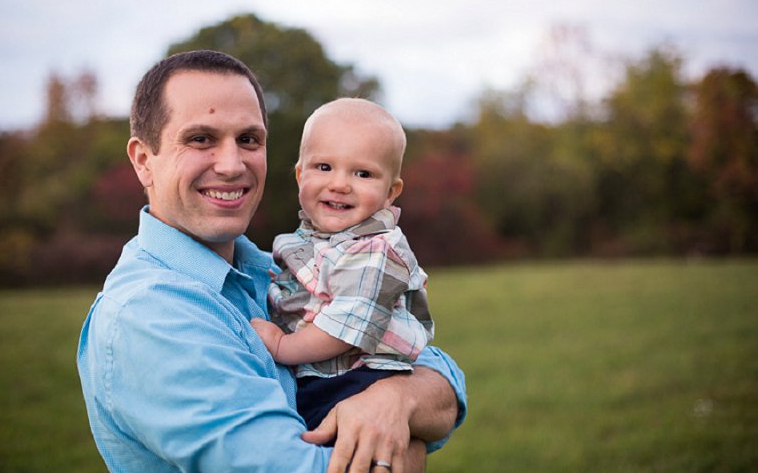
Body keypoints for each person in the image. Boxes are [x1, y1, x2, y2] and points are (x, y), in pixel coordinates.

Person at [76, 50, 467, 473]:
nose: (231, 165)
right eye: (200, 139)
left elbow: (440, 378)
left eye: (248, 140)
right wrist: (404, 450)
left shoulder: (271, 268)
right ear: (143, 160)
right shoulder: (149, 315)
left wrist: (395, 400)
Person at [250, 98, 435, 434]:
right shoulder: (311, 240)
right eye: (324, 167)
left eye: (362, 173)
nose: (339, 184)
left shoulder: (377, 249)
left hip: (358, 380)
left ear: (390, 192)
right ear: (299, 174)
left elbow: (348, 323)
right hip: (324, 375)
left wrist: (281, 346)